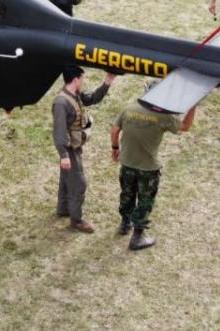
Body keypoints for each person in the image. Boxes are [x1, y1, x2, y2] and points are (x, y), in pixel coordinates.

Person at [110, 96, 197, 250]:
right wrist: (194, 105)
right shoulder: (163, 116)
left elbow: (115, 129)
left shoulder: (129, 109)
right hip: (148, 169)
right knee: (145, 201)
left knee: (127, 194)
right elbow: (185, 126)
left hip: (127, 164)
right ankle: (137, 238)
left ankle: (125, 224)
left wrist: (115, 148)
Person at [52, 66, 116, 233]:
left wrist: (108, 81)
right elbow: (59, 130)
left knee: (67, 178)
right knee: (79, 183)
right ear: (75, 80)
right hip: (69, 149)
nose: (83, 81)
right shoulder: (61, 102)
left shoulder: (75, 95)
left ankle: (63, 208)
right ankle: (76, 220)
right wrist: (64, 155)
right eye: (82, 78)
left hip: (74, 145)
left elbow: (93, 98)